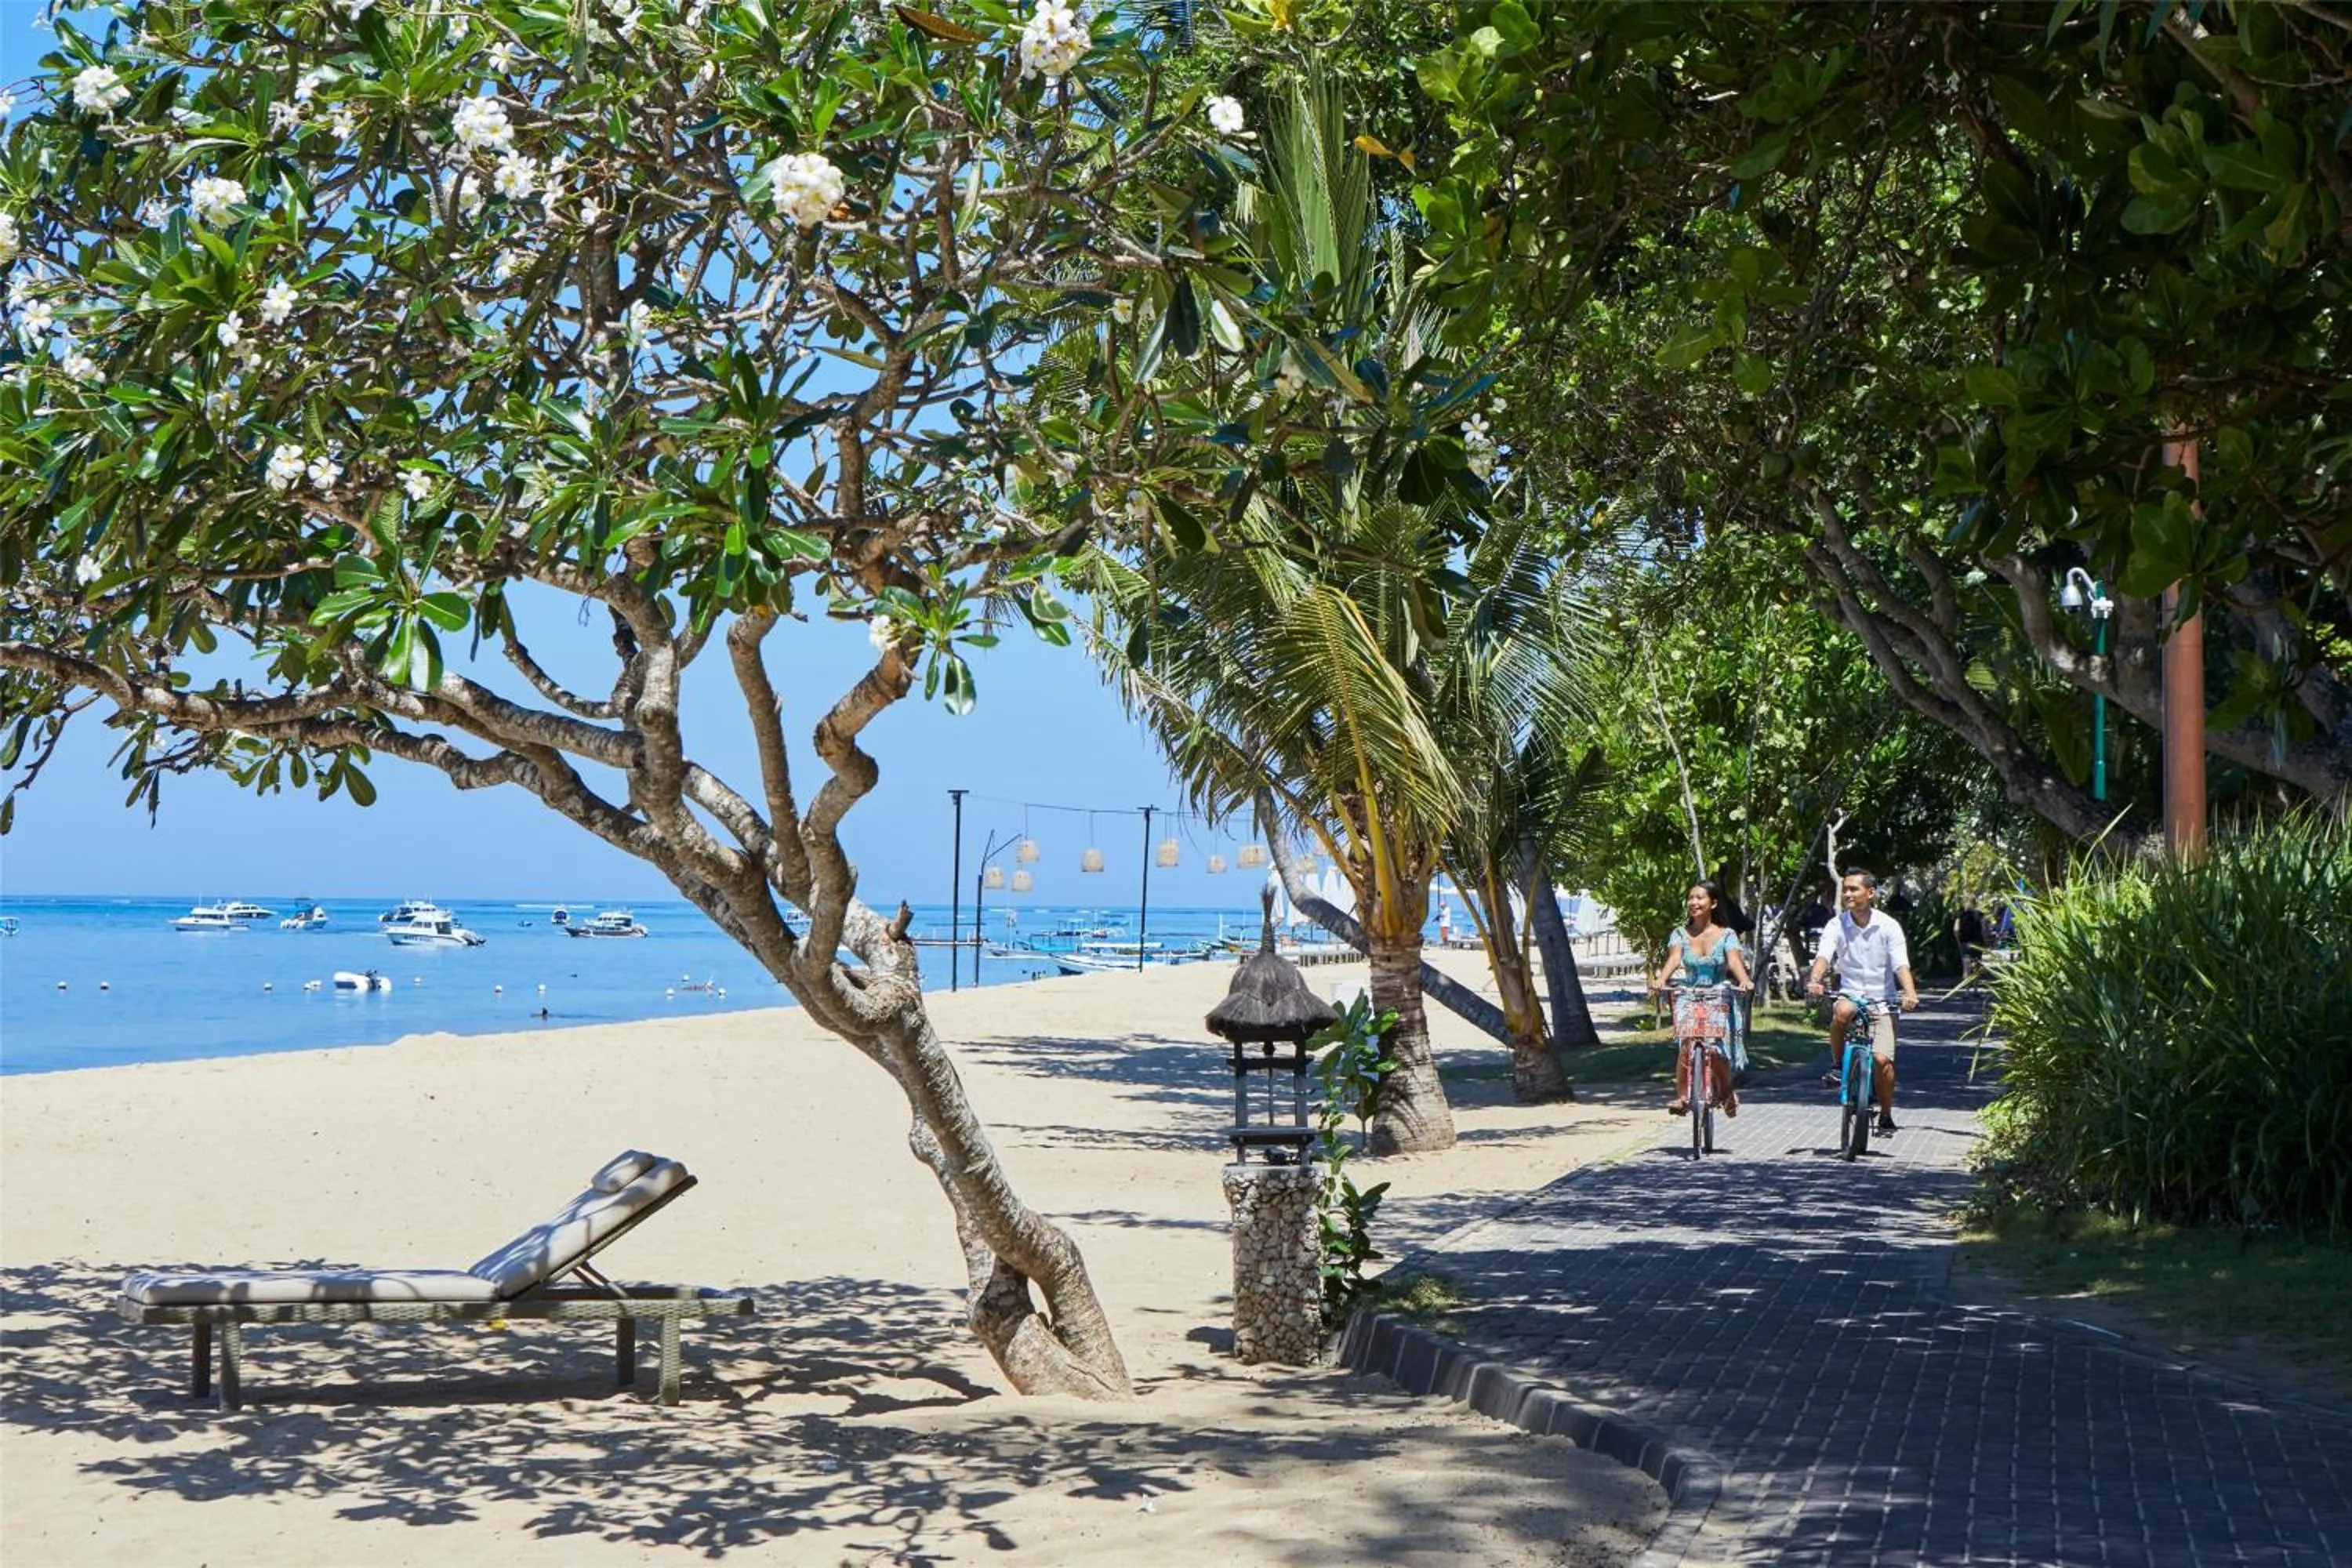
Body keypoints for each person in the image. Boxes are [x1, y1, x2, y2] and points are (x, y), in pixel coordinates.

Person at [1806, 867, 1921, 1134]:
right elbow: (1824, 955)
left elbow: (1901, 964)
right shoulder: (1837, 924)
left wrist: (1910, 993)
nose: (1848, 894)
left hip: (1883, 1001)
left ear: (1870, 893)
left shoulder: (1889, 926)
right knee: (1842, 1011)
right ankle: (1837, 1065)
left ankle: (1886, 1114)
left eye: (1854, 889)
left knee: (1882, 1062)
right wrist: (1816, 979)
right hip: (1851, 993)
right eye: (1845, 889)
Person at [1650, 880, 1751, 1119]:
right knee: (1687, 1043)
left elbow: (1734, 961)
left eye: (1700, 898)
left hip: (1718, 994)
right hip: (1688, 994)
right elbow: (1674, 959)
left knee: (1715, 1051)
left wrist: (1745, 980)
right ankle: (1683, 1097)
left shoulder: (1727, 935)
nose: (1694, 903)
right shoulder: (1680, 934)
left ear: (1713, 903)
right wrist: (1661, 980)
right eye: (1691, 898)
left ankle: (1726, 1090)